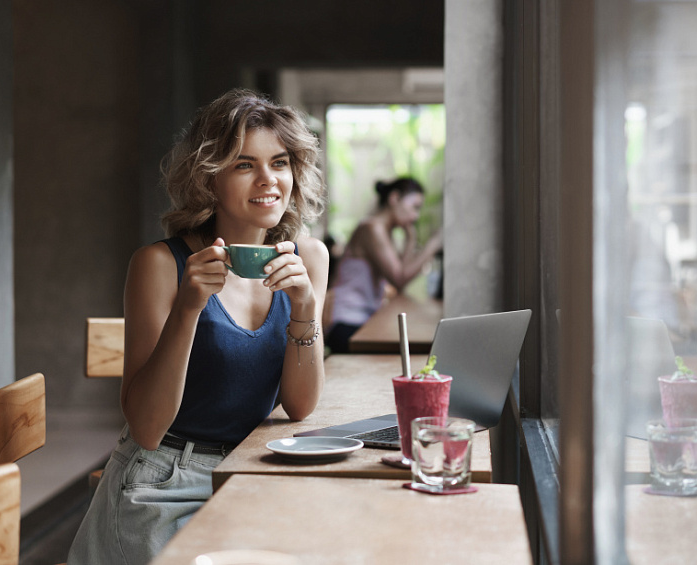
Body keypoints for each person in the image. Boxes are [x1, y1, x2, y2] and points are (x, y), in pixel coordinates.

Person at [67, 89, 328, 564]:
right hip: (163, 483)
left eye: (281, 162)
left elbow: (300, 404)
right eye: (244, 164)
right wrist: (188, 308)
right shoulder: (160, 265)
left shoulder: (307, 258)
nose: (269, 180)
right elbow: (146, 428)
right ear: (210, 179)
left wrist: (305, 305)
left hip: (254, 474)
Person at [325, 177, 442, 353]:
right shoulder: (372, 228)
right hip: (345, 323)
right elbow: (400, 279)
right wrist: (433, 244)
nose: (416, 216)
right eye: (415, 207)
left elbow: (400, 273)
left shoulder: (383, 230)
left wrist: (411, 240)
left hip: (360, 319)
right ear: (394, 198)